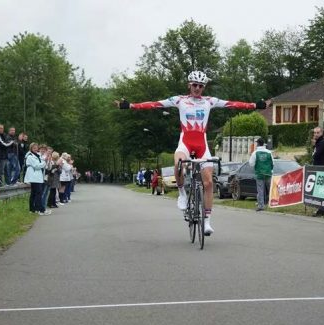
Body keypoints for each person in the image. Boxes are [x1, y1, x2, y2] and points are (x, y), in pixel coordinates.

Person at [116, 70, 267, 235]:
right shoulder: (179, 100)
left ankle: (207, 221)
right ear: (189, 85)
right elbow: (155, 104)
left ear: (204, 87)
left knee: (208, 182)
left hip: (202, 144)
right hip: (186, 142)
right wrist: (131, 106)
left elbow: (233, 104)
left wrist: (256, 105)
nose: (197, 88)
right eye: (194, 85)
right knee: (178, 162)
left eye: (201, 86)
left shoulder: (210, 101)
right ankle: (182, 193)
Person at [24, 143, 50, 215]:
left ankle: (32, 209)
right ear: (31, 148)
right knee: (38, 193)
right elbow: (37, 166)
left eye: (36, 148)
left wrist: (46, 160)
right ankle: (40, 210)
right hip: (34, 177)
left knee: (34, 193)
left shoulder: (37, 156)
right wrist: (44, 162)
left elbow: (43, 165)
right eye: (34, 148)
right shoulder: (30, 156)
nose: (36, 149)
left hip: (37, 177)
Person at [249, 137, 274, 211]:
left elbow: (251, 164)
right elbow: (272, 163)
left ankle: (261, 205)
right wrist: (270, 170)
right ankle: (272, 203)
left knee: (260, 190)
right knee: (270, 189)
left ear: (258, 144)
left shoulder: (255, 153)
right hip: (268, 173)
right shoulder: (269, 152)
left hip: (259, 173)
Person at [311, 127, 324, 216]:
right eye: (314, 133)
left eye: (317, 133)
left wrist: (315, 146)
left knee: (320, 190)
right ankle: (321, 210)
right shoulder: (318, 142)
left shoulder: (322, 142)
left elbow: (316, 155)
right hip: (318, 167)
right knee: (319, 190)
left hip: (321, 168)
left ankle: (322, 210)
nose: (315, 134)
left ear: (321, 133)